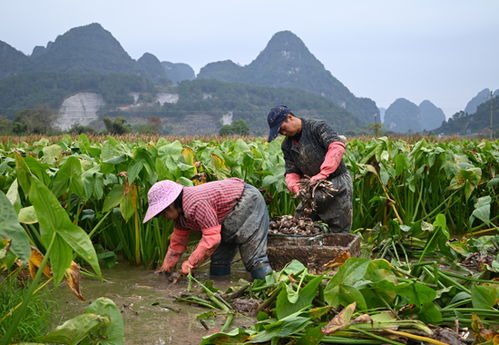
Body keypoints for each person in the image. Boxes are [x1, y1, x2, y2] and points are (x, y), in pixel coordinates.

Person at [142, 177, 273, 280]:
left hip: (247, 200)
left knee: (254, 260)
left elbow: (212, 239)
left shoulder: (195, 204)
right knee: (218, 263)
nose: (164, 217)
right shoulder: (180, 215)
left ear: (171, 204)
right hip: (226, 215)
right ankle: (222, 289)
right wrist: (166, 269)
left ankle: (269, 292)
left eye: (163, 213)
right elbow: (178, 242)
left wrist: (189, 264)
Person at [267, 105, 353, 232]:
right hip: (312, 188)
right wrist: (295, 186)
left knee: (339, 227)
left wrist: (323, 173)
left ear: (289, 117)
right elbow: (291, 171)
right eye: (280, 133)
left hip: (335, 183)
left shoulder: (317, 127)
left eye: (283, 129)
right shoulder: (287, 144)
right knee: (301, 223)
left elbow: (337, 147)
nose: (283, 133)